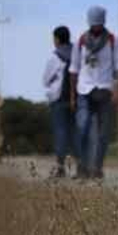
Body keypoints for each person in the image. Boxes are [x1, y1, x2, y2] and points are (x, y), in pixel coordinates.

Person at [69, 5, 118, 181]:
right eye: (93, 25)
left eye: (98, 25)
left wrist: (117, 90)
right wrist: (72, 96)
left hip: (105, 89)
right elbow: (74, 69)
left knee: (103, 133)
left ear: (103, 23)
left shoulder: (113, 41)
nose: (95, 28)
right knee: (82, 128)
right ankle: (82, 166)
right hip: (84, 90)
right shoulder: (81, 41)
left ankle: (97, 168)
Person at [41, 25, 75, 179]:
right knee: (76, 132)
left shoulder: (55, 57)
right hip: (77, 98)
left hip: (59, 99)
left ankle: (61, 167)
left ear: (57, 39)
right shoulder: (77, 54)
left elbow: (45, 81)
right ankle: (82, 166)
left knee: (60, 132)